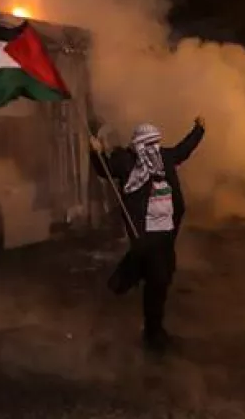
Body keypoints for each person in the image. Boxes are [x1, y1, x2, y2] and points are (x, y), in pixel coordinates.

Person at [91, 117, 206, 353]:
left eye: (156, 144)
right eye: (149, 144)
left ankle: (149, 318)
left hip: (164, 236)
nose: (153, 150)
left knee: (160, 280)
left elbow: (184, 149)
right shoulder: (127, 162)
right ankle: (153, 334)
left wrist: (199, 129)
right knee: (155, 280)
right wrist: (96, 153)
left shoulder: (165, 159)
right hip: (145, 235)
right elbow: (105, 169)